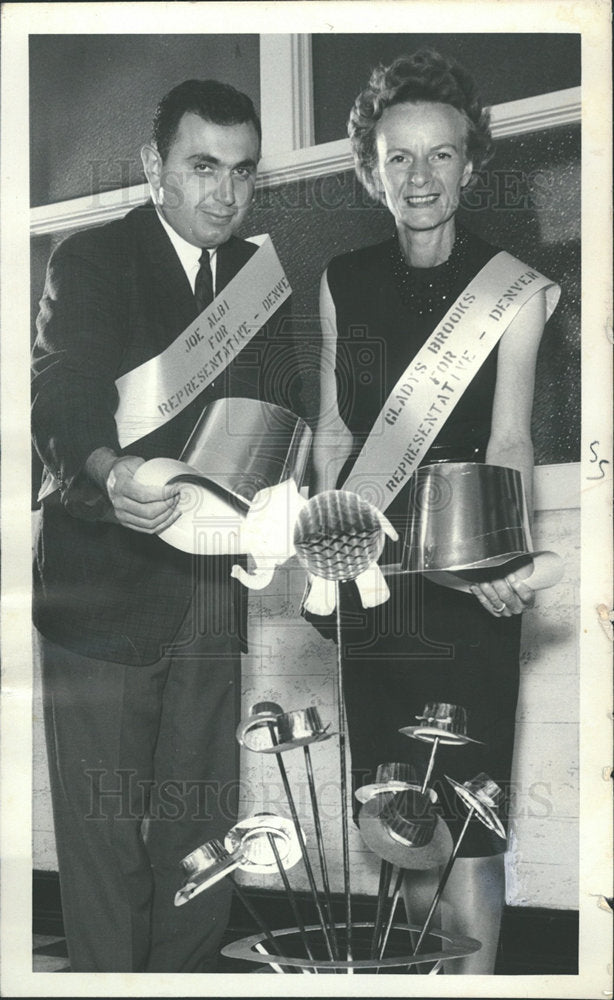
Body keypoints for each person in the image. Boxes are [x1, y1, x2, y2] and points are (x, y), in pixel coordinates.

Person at [31, 78, 291, 973]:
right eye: (203, 166)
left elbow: (276, 428)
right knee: (106, 848)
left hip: (211, 599)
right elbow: (60, 390)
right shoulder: (92, 260)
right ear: (156, 168)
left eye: (243, 171)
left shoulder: (261, 287)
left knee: (202, 838)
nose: (225, 192)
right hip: (100, 591)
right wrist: (108, 470)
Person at [311, 50, 559, 974]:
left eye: (441, 156)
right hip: (373, 584)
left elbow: (510, 441)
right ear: (371, 171)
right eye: (399, 158)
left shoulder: (516, 288)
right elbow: (337, 436)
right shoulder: (341, 279)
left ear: (473, 163)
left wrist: (501, 565)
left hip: (464, 575)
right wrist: (320, 550)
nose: (420, 178)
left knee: (471, 813)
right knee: (400, 817)